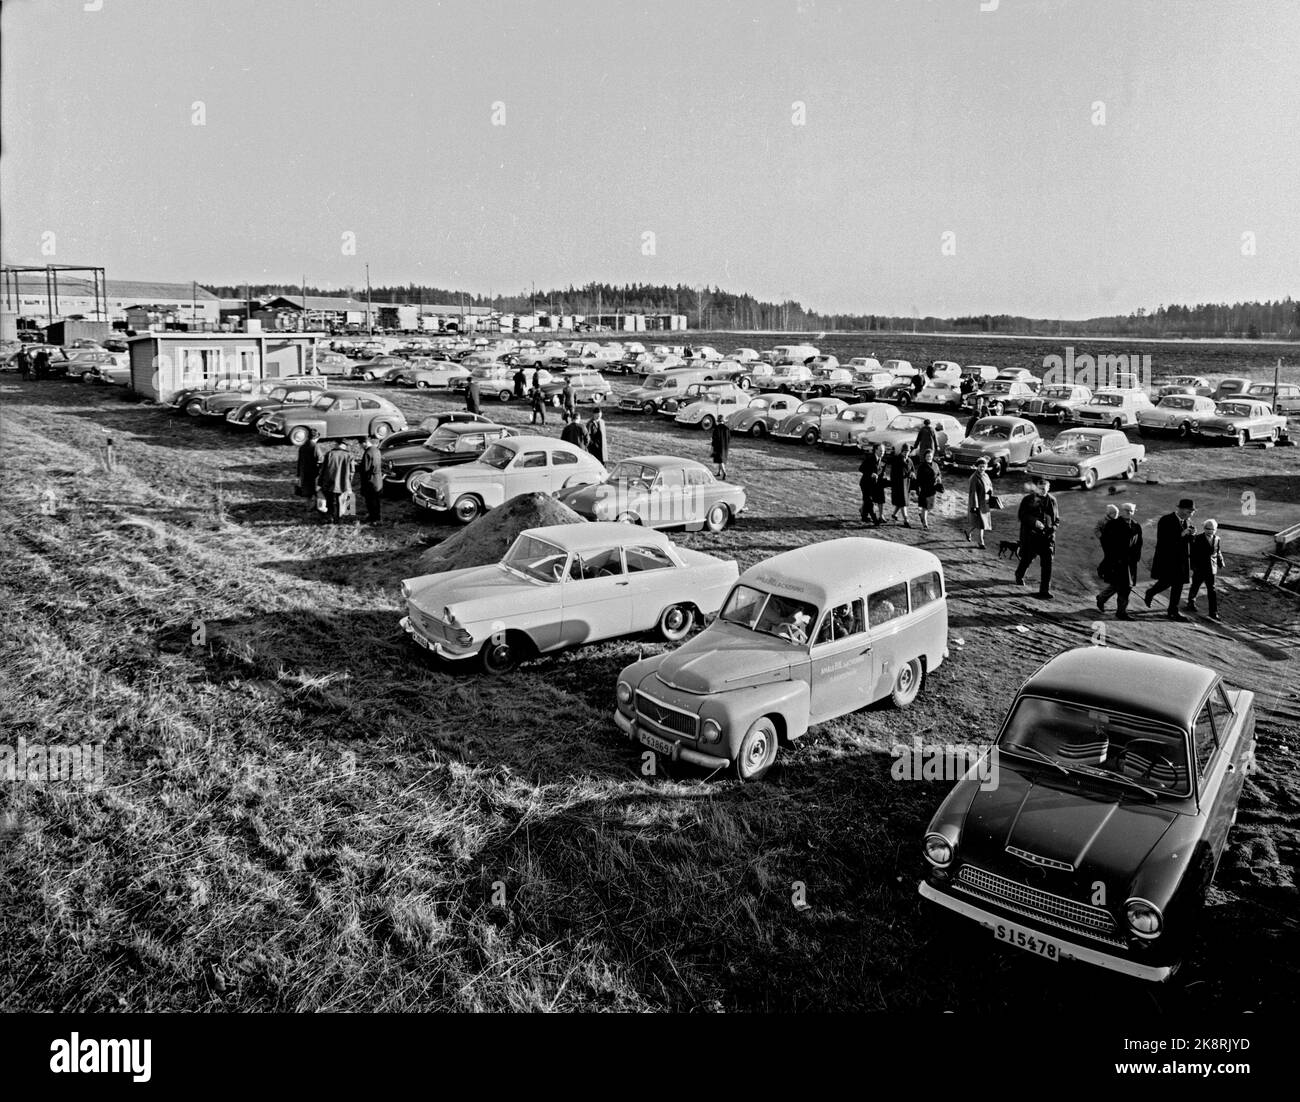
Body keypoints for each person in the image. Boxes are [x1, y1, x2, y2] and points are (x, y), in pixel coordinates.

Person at [1144, 498, 1196, 620]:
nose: (1191, 514)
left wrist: (1192, 535)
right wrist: (1181, 535)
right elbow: (1164, 541)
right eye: (1190, 511)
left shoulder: (1187, 522)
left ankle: (1173, 611)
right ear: (1182, 509)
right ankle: (1150, 592)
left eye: (1192, 511)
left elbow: (1188, 542)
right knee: (1165, 582)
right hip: (1167, 559)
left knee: (1178, 586)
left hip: (1181, 560)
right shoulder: (1166, 520)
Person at [1096, 502, 1143, 619]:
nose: (1128, 512)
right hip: (1117, 561)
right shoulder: (1113, 525)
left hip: (1130, 562)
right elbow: (1106, 542)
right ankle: (1121, 612)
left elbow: (1139, 543)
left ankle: (1102, 598)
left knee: (1123, 586)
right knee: (1122, 586)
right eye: (1126, 510)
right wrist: (1112, 558)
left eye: (1131, 511)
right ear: (1121, 512)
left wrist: (1136, 558)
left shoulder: (1136, 525)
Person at [1014, 476, 1059, 598]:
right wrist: (1034, 522)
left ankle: (1044, 590)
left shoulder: (1053, 501)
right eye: (1040, 488)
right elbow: (1022, 515)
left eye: (1045, 489)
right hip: (1031, 537)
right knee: (1027, 559)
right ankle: (1019, 574)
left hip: (1047, 539)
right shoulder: (1028, 499)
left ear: (1048, 488)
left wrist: (1053, 528)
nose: (1042, 491)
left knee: (1047, 564)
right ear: (1036, 488)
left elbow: (1057, 520)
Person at [1187, 518, 1226, 621]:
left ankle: (1213, 612)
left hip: (1211, 568)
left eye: (1212, 529)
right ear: (1204, 528)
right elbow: (1193, 553)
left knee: (1212, 590)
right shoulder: (1198, 538)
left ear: (1215, 529)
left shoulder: (1217, 539)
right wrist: (1193, 566)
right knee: (1195, 585)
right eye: (1207, 528)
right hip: (1200, 567)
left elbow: (1218, 551)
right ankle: (1191, 601)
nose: (1210, 531)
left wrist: (1220, 561)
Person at [318, 440, 356, 525]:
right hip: (343, 483)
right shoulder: (349, 455)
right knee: (342, 501)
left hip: (329, 482)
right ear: (344, 446)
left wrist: (320, 483)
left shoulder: (329, 454)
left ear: (337, 445)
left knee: (331, 501)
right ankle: (340, 519)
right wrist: (349, 482)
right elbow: (352, 471)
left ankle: (331, 517)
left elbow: (323, 470)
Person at [966, 456, 993, 547]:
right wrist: (974, 506)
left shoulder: (986, 475)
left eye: (983, 466)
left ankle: (968, 532)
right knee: (981, 523)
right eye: (980, 466)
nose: (982, 468)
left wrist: (990, 492)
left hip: (985, 502)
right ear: (977, 467)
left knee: (981, 523)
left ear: (986, 467)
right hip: (977, 503)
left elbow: (989, 485)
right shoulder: (974, 478)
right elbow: (973, 493)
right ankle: (981, 541)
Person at [358, 435, 384, 525]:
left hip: (370, 480)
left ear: (364, 443)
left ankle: (374, 519)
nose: (361, 447)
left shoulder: (368, 453)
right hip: (378, 480)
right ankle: (376, 518)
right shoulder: (376, 450)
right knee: (376, 501)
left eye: (361, 445)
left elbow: (365, 470)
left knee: (370, 501)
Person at [914, 448, 943, 530]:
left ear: (932, 456)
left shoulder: (935, 465)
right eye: (927, 456)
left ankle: (922, 515)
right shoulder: (921, 466)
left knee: (930, 506)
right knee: (925, 506)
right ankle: (925, 523)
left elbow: (939, 474)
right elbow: (918, 478)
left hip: (932, 489)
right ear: (924, 457)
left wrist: (938, 478)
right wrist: (918, 488)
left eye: (930, 456)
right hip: (924, 488)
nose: (928, 457)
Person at [857, 443, 885, 525]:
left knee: (866, 501)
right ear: (876, 450)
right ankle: (875, 520)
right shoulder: (870, 458)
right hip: (865, 483)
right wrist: (870, 473)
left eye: (883, 451)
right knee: (869, 502)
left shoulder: (882, 460)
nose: (882, 453)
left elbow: (880, 472)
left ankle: (864, 516)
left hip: (874, 485)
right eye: (880, 451)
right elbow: (861, 468)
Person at [888, 443, 914, 526]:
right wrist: (893, 484)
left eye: (908, 451)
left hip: (906, 483)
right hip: (898, 484)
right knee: (903, 501)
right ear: (902, 451)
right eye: (904, 451)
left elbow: (912, 470)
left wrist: (912, 474)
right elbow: (893, 473)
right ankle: (906, 520)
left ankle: (894, 514)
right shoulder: (897, 459)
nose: (906, 453)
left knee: (902, 501)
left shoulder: (909, 460)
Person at [296, 427, 323, 505]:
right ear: (316, 437)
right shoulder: (315, 446)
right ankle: (316, 506)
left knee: (307, 492)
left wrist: (298, 474)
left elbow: (299, 461)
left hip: (304, 473)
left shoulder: (302, 446)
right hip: (313, 473)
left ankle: (308, 505)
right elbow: (320, 459)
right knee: (316, 490)